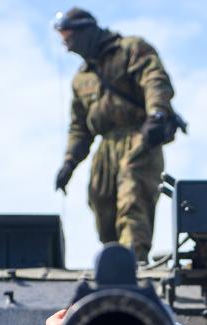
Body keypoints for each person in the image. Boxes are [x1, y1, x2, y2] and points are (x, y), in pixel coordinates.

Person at [52, 7, 179, 263]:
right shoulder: (81, 79)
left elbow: (154, 80)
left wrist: (156, 114)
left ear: (85, 30)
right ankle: (116, 261)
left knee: (132, 195)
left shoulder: (130, 49)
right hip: (105, 145)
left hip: (139, 135)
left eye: (68, 35)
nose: (65, 43)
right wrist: (69, 162)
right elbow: (80, 127)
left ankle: (133, 259)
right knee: (101, 201)